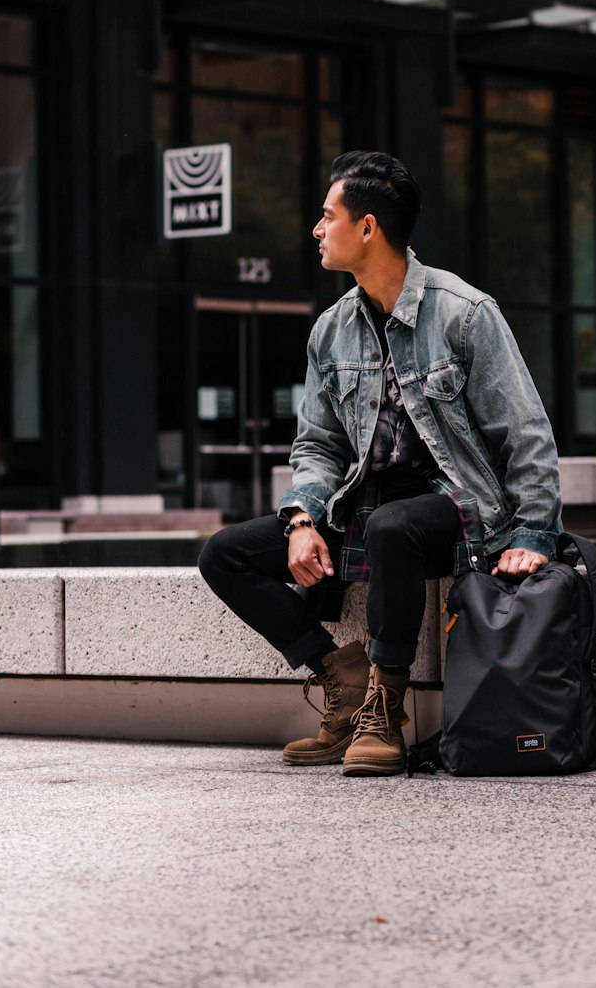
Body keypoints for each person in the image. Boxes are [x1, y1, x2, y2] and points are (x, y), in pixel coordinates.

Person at [198, 150, 562, 776]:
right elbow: (317, 443)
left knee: (394, 524)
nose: (316, 229)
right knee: (224, 554)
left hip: (457, 505)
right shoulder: (330, 330)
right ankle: (342, 677)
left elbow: (525, 433)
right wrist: (303, 519)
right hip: (362, 502)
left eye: (326, 215)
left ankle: (385, 710)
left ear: (367, 228)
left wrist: (532, 533)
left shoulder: (465, 313)